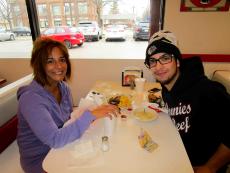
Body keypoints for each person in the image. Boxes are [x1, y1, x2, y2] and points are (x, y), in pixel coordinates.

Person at [17, 37, 119, 173]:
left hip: (60, 148)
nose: (59, 66)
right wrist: (90, 115)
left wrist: (93, 112)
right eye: (50, 61)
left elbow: (68, 119)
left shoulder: (63, 88)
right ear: (38, 65)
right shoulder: (31, 100)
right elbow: (55, 139)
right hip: (41, 160)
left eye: (62, 60)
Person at [144, 30, 230, 173]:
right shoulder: (167, 88)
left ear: (177, 61)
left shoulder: (206, 90)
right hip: (178, 156)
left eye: (165, 58)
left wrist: (210, 167)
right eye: (152, 61)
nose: (158, 67)